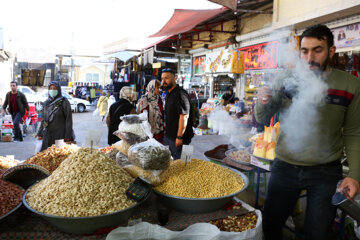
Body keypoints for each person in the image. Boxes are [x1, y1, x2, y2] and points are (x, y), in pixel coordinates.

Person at [255, 24, 360, 240]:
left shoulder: (350, 85)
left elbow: (354, 132)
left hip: (325, 173)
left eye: (317, 50)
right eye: (304, 51)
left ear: (331, 51)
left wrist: (355, 176)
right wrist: (262, 100)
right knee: (270, 226)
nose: (309, 57)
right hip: (284, 167)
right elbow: (261, 118)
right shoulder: (286, 79)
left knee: (318, 233)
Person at [161, 69, 194, 159]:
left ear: (174, 78)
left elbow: (184, 116)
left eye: (166, 78)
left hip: (182, 138)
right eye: (162, 79)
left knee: (184, 164)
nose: (163, 81)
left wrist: (179, 137)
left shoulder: (180, 94)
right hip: (171, 136)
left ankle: (187, 173)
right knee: (174, 164)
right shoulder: (169, 93)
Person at [37, 81, 74, 151]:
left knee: (58, 156)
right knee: (46, 156)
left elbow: (69, 119)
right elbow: (43, 119)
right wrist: (40, 133)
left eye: (54, 88)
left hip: (60, 135)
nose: (52, 90)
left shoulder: (64, 102)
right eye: (50, 88)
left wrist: (68, 135)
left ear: (59, 90)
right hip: (48, 134)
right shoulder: (46, 103)